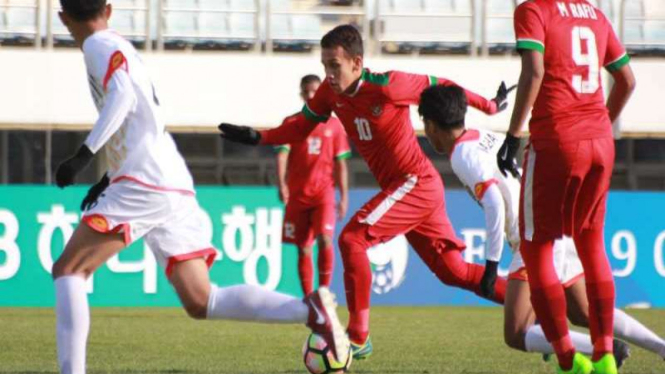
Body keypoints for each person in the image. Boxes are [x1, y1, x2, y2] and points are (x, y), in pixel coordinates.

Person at [51, 2, 349, 373]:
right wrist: (108, 175)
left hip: (144, 181)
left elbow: (123, 97)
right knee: (200, 299)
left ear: (63, 17)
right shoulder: (119, 46)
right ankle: (311, 310)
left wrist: (83, 154)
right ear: (109, 9)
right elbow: (145, 119)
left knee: (69, 270)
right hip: (167, 177)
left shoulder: (97, 45)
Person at [218, 24, 513, 360]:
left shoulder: (389, 86)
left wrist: (489, 106)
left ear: (357, 63)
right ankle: (536, 305)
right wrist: (260, 138)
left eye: (335, 65)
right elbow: (301, 125)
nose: (328, 74)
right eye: (324, 65)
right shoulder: (331, 95)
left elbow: (441, 86)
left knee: (352, 239)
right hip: (409, 188)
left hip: (414, 181)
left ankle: (358, 337)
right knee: (453, 272)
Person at [419, 84, 665, 368]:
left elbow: (494, 204)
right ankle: (659, 347)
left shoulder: (461, 156)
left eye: (425, 125)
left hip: (531, 235)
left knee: (516, 332)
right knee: (585, 312)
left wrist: (490, 265)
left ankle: (592, 353)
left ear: (432, 125)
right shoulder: (487, 137)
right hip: (554, 220)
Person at [497, 1, 637, 372]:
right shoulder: (594, 13)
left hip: (556, 140)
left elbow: (534, 72)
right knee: (591, 243)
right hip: (600, 142)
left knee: (536, 247)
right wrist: (599, 122)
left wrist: (512, 136)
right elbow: (627, 80)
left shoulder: (533, 10)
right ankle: (605, 353)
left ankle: (567, 359)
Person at [275, 74, 351, 295]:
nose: (310, 95)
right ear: (301, 94)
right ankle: (309, 299)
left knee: (326, 240)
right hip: (298, 195)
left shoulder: (335, 126)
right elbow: (281, 155)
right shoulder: (291, 123)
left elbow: (341, 165)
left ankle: (324, 293)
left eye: (314, 91)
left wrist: (344, 196)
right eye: (306, 91)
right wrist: (282, 184)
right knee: (303, 248)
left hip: (323, 194)